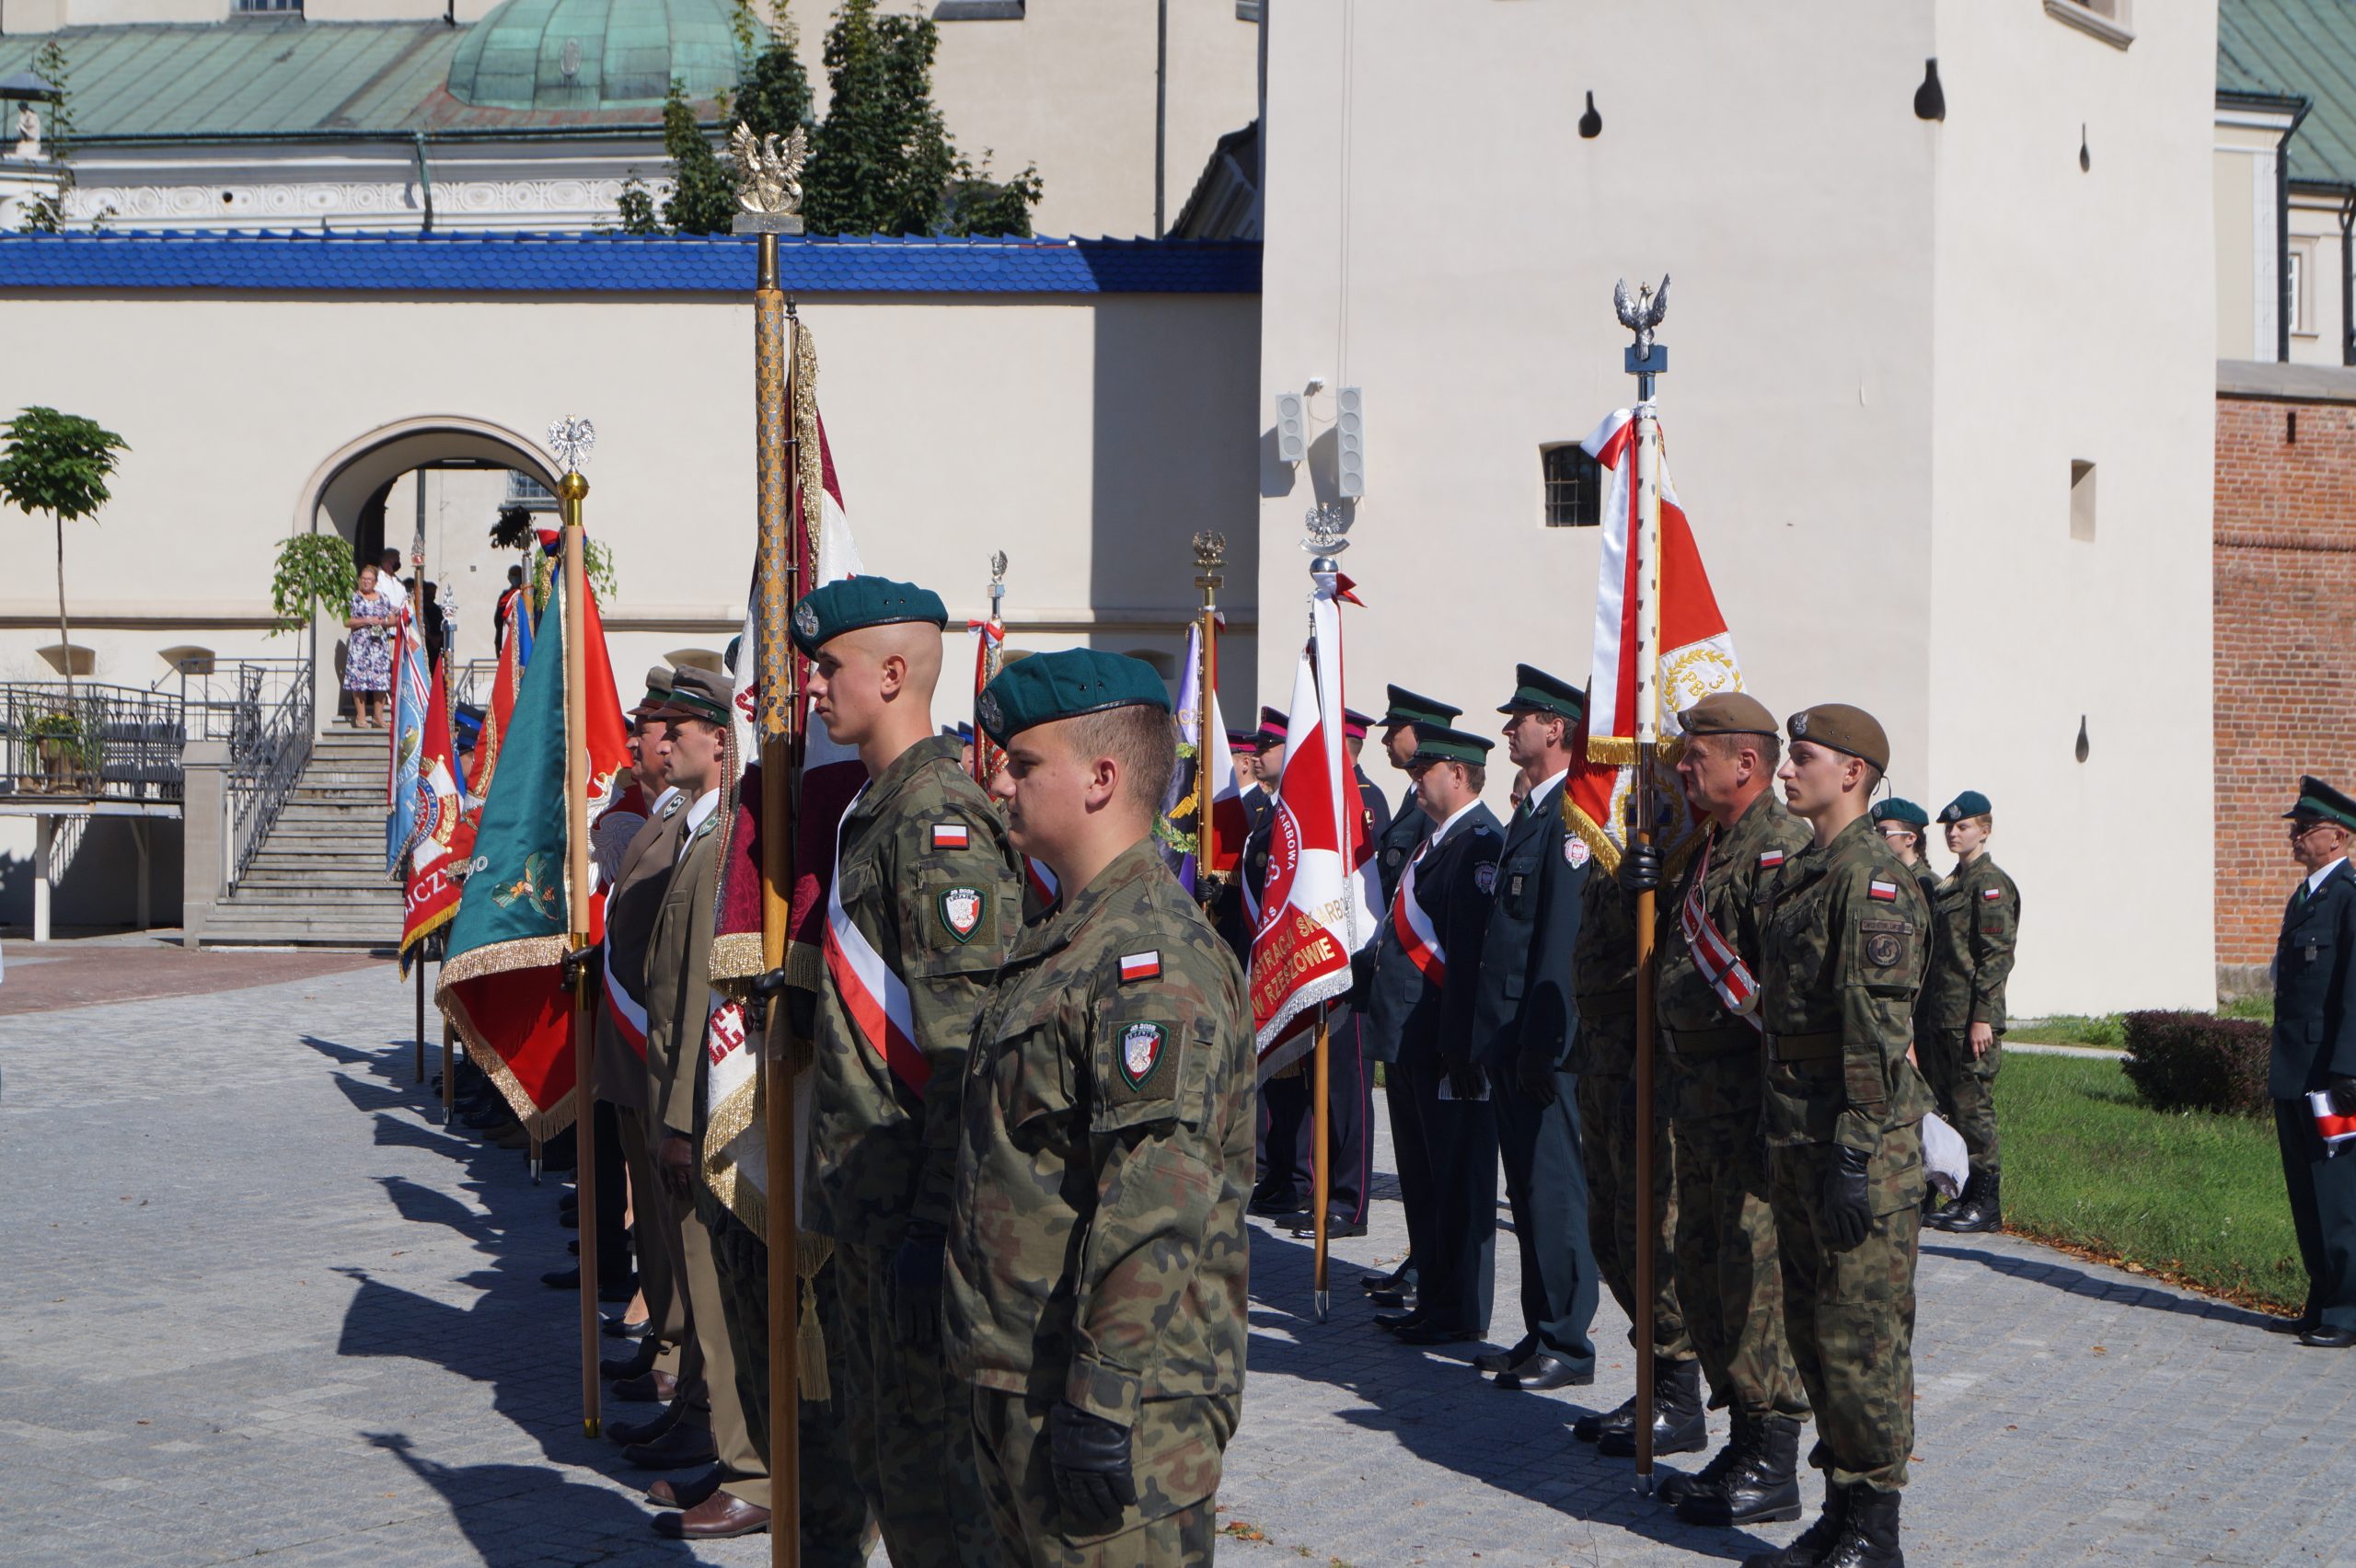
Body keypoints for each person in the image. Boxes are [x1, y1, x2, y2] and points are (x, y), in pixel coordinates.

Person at [947, 648, 1253, 1563]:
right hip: (1019, 1376)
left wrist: (1103, 1395)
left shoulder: (1153, 959)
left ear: (1101, 777)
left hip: (1114, 1403)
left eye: (1024, 763)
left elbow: (1155, 1195)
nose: (997, 779)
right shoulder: (1066, 940)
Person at [791, 577, 1021, 1568]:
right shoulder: (875, 810)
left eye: (826, 667)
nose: (809, 689)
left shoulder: (938, 825)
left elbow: (965, 1052)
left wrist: (933, 1226)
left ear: (892, 675)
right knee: (887, 1469)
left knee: (935, 1505)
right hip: (863, 1212)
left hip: (909, 1225)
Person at [1747, 703, 1931, 1568]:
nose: (1787, 771)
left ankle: (1876, 1533)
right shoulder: (1806, 873)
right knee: (1816, 1337)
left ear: (1852, 772)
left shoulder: (1874, 880)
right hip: (1798, 1134)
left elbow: (1876, 1033)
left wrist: (1855, 1154)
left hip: (1858, 1146)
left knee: (1862, 1343)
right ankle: (1841, 1510)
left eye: (1803, 757)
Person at [1630, 691, 1812, 1523]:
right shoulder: (1711, 848)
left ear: (1747, 763)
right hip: (1696, 1108)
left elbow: (1781, 1003)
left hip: (1746, 1114)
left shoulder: (1777, 853)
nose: (1680, 763)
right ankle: (1740, 1435)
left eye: (1694, 749)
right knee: (1700, 1271)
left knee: (1751, 1282)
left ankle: (1772, 1458)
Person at [643, 667, 768, 1540]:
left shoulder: (727, 838)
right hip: (674, 1094)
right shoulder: (696, 831)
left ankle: (753, 1473)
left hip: (702, 1099)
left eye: (679, 726)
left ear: (722, 738)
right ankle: (725, 1446)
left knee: (722, 1297)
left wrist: (687, 1120)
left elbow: (703, 995)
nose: (664, 739)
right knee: (703, 1284)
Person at [1470, 666, 1600, 1392]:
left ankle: (1568, 1343)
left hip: (1542, 1042)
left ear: (1555, 728)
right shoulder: (1532, 812)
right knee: (1524, 1192)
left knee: (1553, 1191)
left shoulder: (1569, 821)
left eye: (1519, 717)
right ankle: (1539, 1327)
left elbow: (1557, 942)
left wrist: (1542, 1044)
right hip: (1512, 1039)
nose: (1508, 728)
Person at [1366, 724, 1504, 1346]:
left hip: (1445, 1042)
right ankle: (1435, 1296)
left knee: (1457, 1178)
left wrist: (1461, 1043)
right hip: (1412, 1037)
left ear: (1458, 773)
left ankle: (1461, 1308)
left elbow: (1471, 955)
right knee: (1424, 1177)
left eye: (1426, 771)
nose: (1416, 782)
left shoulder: (1478, 844)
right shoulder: (1436, 842)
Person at [1357, 686, 1461, 1309]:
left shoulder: (1436, 817)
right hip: (1399, 1002)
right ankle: (1421, 1261)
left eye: (1392, 727)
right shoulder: (1412, 806)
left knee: (1435, 1153)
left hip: (1425, 1002)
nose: (1384, 736)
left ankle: (1433, 1270)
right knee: (1417, 1153)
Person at [1278, 708, 1391, 1243]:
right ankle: (1323, 1194)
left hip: (1350, 966)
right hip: (1321, 964)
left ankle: (1352, 1200)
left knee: (1349, 1094)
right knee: (1322, 1090)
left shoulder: (1364, 801)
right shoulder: (1326, 800)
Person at [2267, 777, 2356, 1349]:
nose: (2296, 835)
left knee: (2337, 1192)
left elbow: (2353, 989)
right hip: (2296, 1068)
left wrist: (2349, 1068)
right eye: (2296, 827)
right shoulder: (2307, 896)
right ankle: (2321, 1296)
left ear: (2340, 835)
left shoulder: (2348, 895)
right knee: (2306, 1190)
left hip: (2331, 1074)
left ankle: (2347, 1311)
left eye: (2307, 827)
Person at [1920, 791, 2020, 1235]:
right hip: (1944, 1014)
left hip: (1970, 1018)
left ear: (1985, 829)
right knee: (1952, 1108)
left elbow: (1996, 956)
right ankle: (1961, 1198)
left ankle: (1986, 1202)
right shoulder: (1950, 884)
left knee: (1974, 1109)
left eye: (1962, 827)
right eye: (1949, 828)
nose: (1953, 833)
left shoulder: (1989, 884)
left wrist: (1983, 1016)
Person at [343, 562, 398, 728]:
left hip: (378, 646)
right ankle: (361, 717)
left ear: (375, 582)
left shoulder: (383, 598)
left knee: (380, 680)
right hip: (360, 646)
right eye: (364, 579)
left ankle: (378, 717)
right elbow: (346, 621)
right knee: (359, 680)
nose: (366, 582)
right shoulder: (353, 597)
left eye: (370, 579)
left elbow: (392, 619)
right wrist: (366, 620)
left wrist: (383, 622)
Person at [495, 564, 525, 651]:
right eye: (513, 575)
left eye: (517, 575)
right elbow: (498, 619)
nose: (514, 578)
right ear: (509, 578)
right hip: (504, 635)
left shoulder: (526, 594)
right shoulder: (505, 596)